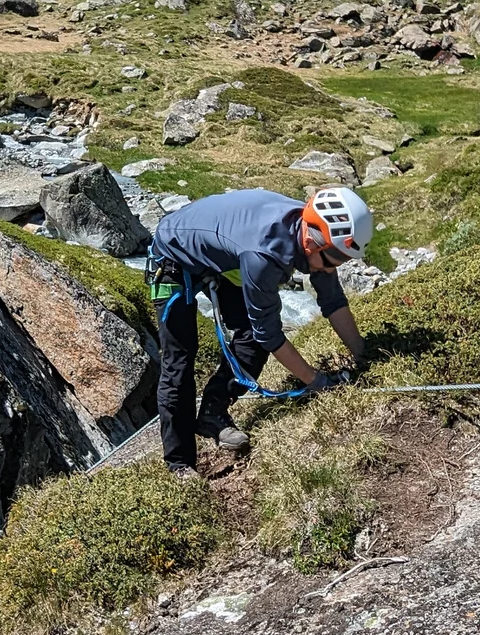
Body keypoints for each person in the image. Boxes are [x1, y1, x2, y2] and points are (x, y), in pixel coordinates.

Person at [146, 184, 372, 475]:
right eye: (335, 260)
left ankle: (212, 413)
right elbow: (271, 333)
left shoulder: (314, 238)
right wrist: (316, 382)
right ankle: (179, 465)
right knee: (179, 361)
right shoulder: (264, 254)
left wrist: (363, 355)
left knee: (251, 341)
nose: (334, 268)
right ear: (312, 242)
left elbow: (332, 300)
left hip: (224, 251)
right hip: (173, 255)